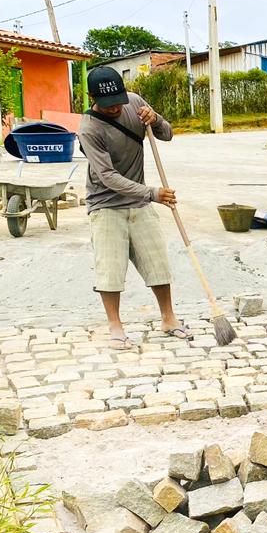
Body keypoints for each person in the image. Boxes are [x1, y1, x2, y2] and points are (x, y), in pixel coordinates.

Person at [78, 67, 187, 350]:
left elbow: (167, 134)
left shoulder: (135, 102)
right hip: (105, 204)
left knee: (158, 263)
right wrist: (153, 194)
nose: (115, 107)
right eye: (108, 104)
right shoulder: (89, 129)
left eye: (118, 99)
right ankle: (115, 327)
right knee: (110, 269)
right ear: (91, 98)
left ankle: (169, 318)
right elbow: (108, 177)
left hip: (138, 201)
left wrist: (157, 118)